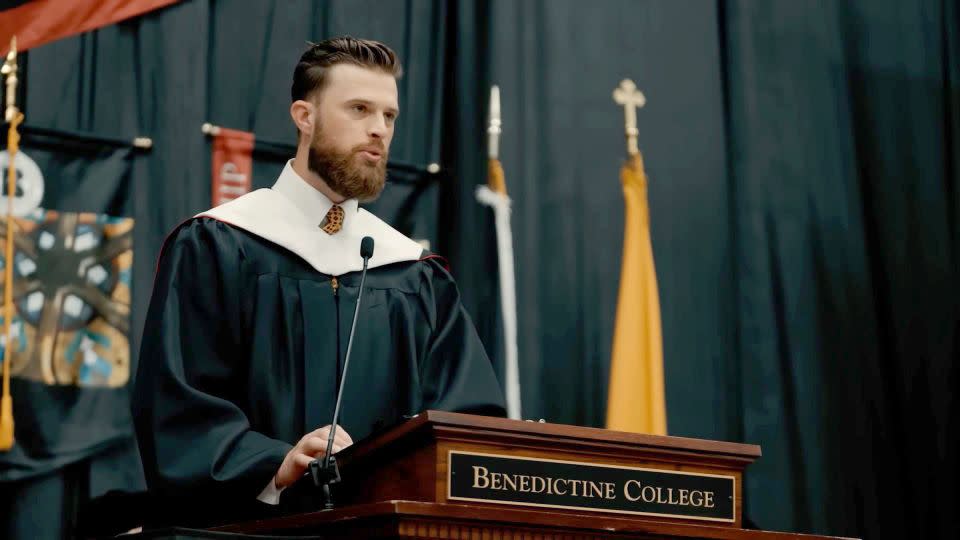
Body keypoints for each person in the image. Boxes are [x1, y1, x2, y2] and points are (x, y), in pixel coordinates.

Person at [132, 37, 506, 528]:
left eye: (389, 116)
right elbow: (179, 405)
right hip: (252, 530)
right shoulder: (221, 243)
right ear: (304, 117)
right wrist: (273, 463)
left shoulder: (411, 271)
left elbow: (465, 422)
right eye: (359, 109)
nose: (378, 130)